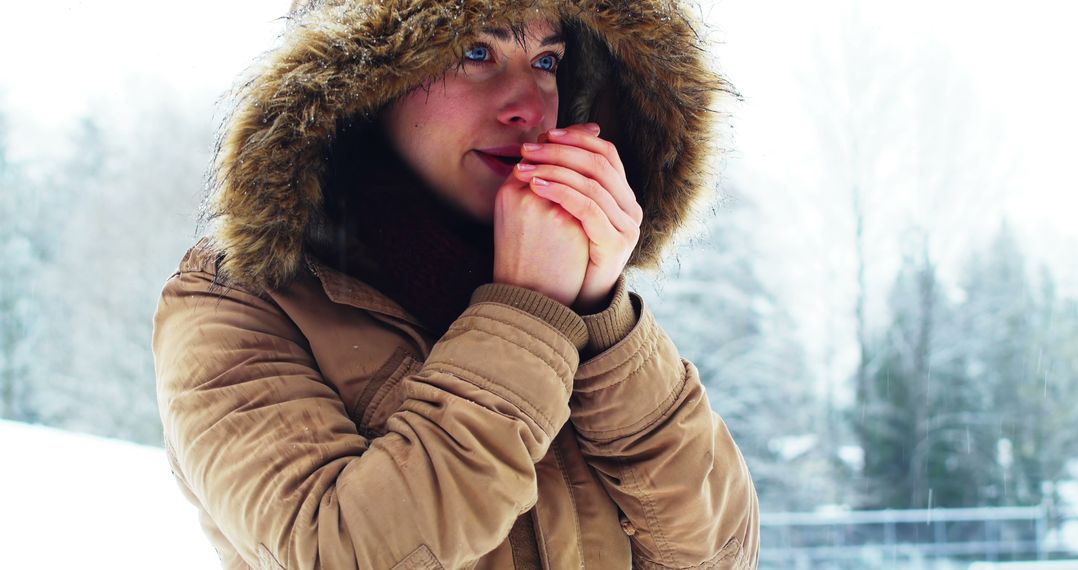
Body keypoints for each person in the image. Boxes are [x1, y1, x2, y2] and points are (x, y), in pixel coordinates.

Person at [152, 1, 760, 568]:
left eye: (548, 62)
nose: (530, 105)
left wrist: (603, 317)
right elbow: (341, 551)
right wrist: (529, 312)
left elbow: (721, 553)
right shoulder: (236, 302)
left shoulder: (572, 286)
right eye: (475, 52)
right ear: (366, 83)